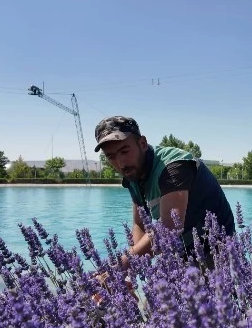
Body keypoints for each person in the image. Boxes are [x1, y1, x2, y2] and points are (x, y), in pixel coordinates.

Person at [94, 115, 235, 270]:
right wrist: (131, 270)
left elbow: (168, 228)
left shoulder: (173, 166)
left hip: (214, 246)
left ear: (142, 144)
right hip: (179, 249)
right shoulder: (133, 174)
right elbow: (140, 224)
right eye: (111, 157)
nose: (121, 163)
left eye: (125, 151)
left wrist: (119, 267)